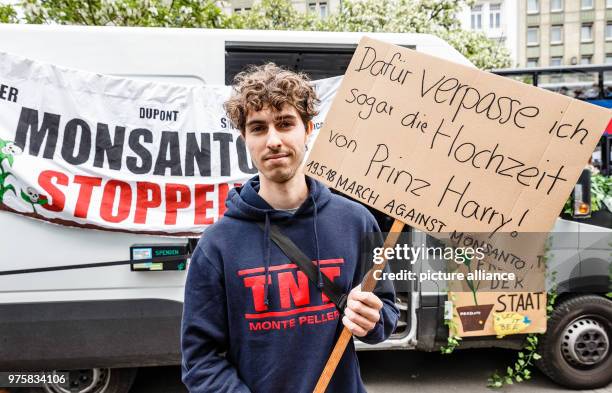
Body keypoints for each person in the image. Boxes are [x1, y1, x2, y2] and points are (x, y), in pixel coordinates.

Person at [181, 63, 399, 393]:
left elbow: (386, 316)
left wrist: (372, 320)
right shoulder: (217, 245)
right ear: (245, 139)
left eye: (285, 124)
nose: (273, 140)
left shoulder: (356, 221)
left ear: (308, 128)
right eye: (258, 128)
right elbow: (200, 361)